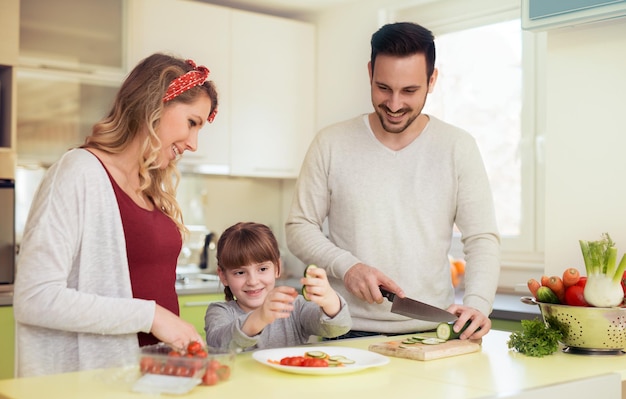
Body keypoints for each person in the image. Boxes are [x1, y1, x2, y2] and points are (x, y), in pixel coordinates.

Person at [285, 22, 500, 340]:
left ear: (432, 80)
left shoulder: (457, 147)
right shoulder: (331, 143)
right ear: (370, 72)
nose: (395, 104)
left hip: (432, 331)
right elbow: (299, 227)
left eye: (410, 91)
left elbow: (482, 237)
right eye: (383, 88)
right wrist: (348, 267)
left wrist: (478, 303)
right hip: (345, 328)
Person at [13, 53, 219, 377]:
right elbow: (35, 298)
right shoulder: (78, 172)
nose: (193, 143)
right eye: (192, 122)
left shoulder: (150, 184)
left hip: (153, 378)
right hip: (96, 383)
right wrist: (151, 316)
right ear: (155, 105)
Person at [204, 222, 351, 351]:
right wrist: (260, 317)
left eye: (262, 269)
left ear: (277, 268)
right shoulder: (219, 312)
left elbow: (338, 328)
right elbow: (218, 345)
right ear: (223, 276)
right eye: (240, 272)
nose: (253, 281)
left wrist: (329, 298)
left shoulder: (296, 306)